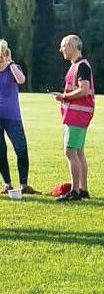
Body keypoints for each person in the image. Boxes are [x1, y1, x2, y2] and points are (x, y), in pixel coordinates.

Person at [53, 34, 95, 202]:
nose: (61, 49)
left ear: (72, 45)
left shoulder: (81, 66)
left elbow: (84, 89)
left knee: (70, 151)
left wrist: (64, 97)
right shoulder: (78, 65)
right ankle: (83, 189)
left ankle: (75, 191)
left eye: (63, 46)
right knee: (78, 152)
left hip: (77, 115)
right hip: (79, 114)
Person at [0, 40, 38, 197]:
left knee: (21, 148)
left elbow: (21, 80)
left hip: (12, 116)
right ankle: (7, 184)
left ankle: (24, 184)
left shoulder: (13, 68)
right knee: (0, 150)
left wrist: (10, 63)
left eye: (2, 54)